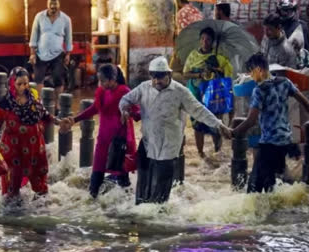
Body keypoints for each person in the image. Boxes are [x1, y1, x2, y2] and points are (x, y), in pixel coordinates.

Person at [119, 56, 232, 205]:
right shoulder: (144, 88)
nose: (157, 81)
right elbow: (125, 100)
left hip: (168, 146)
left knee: (161, 189)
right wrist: (124, 110)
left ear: (169, 75)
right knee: (143, 183)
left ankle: (158, 216)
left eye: (160, 77)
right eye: (154, 77)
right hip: (148, 143)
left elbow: (199, 110)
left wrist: (219, 125)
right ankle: (141, 214)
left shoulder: (180, 92)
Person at [0, 67, 68, 204]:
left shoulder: (34, 97)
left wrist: (59, 122)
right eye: (19, 84)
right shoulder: (5, 104)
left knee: (41, 189)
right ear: (12, 83)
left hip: (34, 149)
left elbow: (45, 115)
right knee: (12, 193)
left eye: (26, 83)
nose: (23, 87)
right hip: (14, 151)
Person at [232, 53, 309, 193]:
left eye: (251, 72)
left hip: (269, 145)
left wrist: (233, 132)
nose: (251, 76)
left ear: (259, 70)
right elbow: (305, 103)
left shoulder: (260, 90)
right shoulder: (285, 82)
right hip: (286, 142)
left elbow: (251, 121)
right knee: (271, 186)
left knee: (253, 191)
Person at [64, 64, 138, 198]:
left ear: (112, 79)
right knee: (96, 175)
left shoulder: (125, 92)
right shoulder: (102, 92)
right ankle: (92, 204)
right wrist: (75, 119)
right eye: (99, 80)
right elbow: (94, 109)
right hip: (103, 140)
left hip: (118, 142)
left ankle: (127, 209)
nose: (100, 83)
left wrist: (128, 112)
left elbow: (138, 111)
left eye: (103, 81)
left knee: (122, 180)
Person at [183, 27, 233, 158]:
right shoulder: (193, 55)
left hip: (214, 96)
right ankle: (200, 153)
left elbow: (228, 77)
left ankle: (217, 151)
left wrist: (217, 69)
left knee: (216, 122)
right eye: (203, 39)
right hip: (196, 94)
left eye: (208, 39)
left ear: (213, 42)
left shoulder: (220, 58)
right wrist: (200, 74)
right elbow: (185, 74)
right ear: (200, 40)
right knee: (197, 123)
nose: (205, 42)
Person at [29, 0, 72, 113]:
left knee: (58, 78)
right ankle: (39, 104)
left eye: (55, 7)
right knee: (38, 78)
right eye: (51, 7)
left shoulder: (66, 19)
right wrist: (32, 53)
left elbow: (68, 38)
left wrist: (68, 54)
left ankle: (57, 105)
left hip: (58, 54)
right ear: (47, 6)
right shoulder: (39, 17)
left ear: (59, 6)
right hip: (40, 53)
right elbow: (34, 35)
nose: (53, 9)